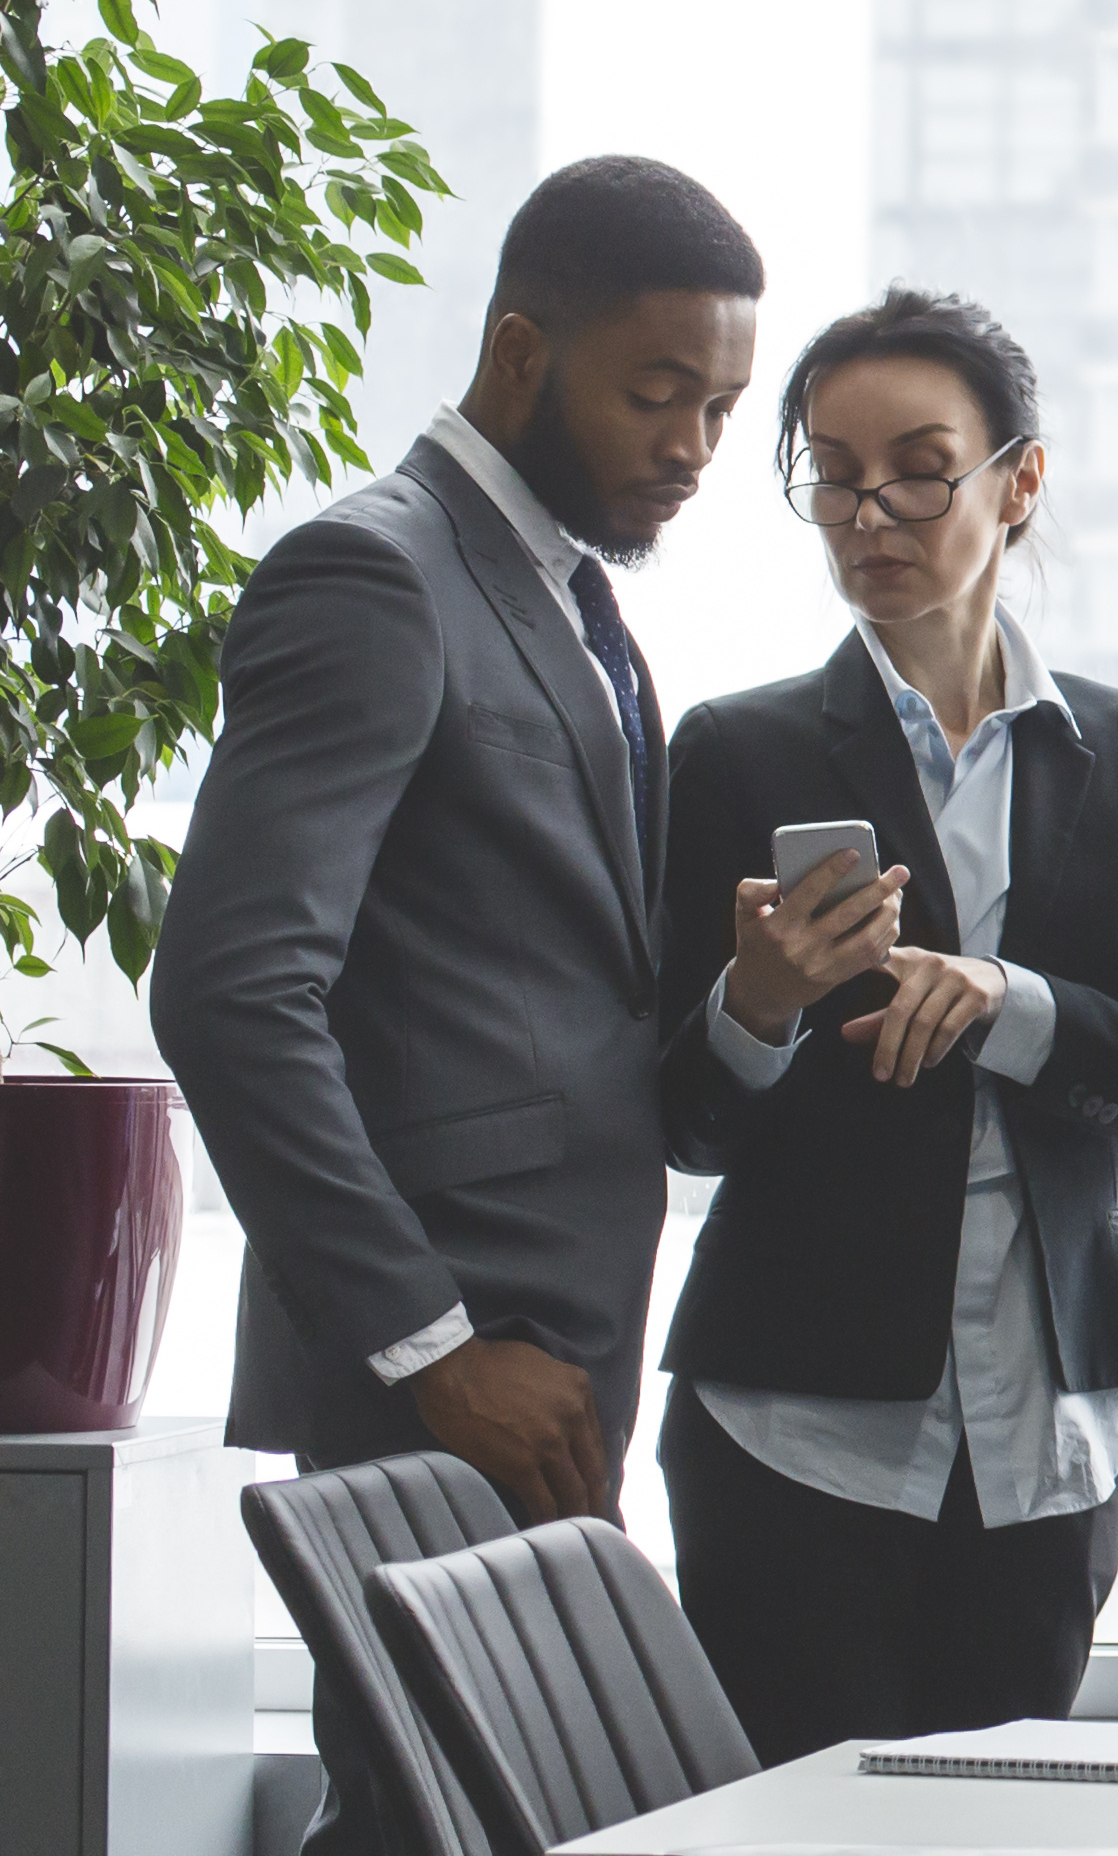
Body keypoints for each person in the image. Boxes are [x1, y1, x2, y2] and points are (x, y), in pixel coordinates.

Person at [146, 155, 759, 1856]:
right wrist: (428, 1347)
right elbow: (228, 987)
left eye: (720, 404)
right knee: (426, 1820)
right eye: (657, 393)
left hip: (554, 1357)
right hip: (437, 1368)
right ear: (516, 352)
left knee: (496, 1824)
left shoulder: (579, 606)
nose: (695, 445)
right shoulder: (374, 576)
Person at [651, 288, 1118, 1761]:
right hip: (797, 1419)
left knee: (999, 1820)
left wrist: (1013, 1002)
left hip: (1052, 1423)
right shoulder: (737, 748)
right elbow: (681, 1119)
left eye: (919, 467)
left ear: (1019, 480)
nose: (871, 510)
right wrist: (762, 1004)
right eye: (834, 474)